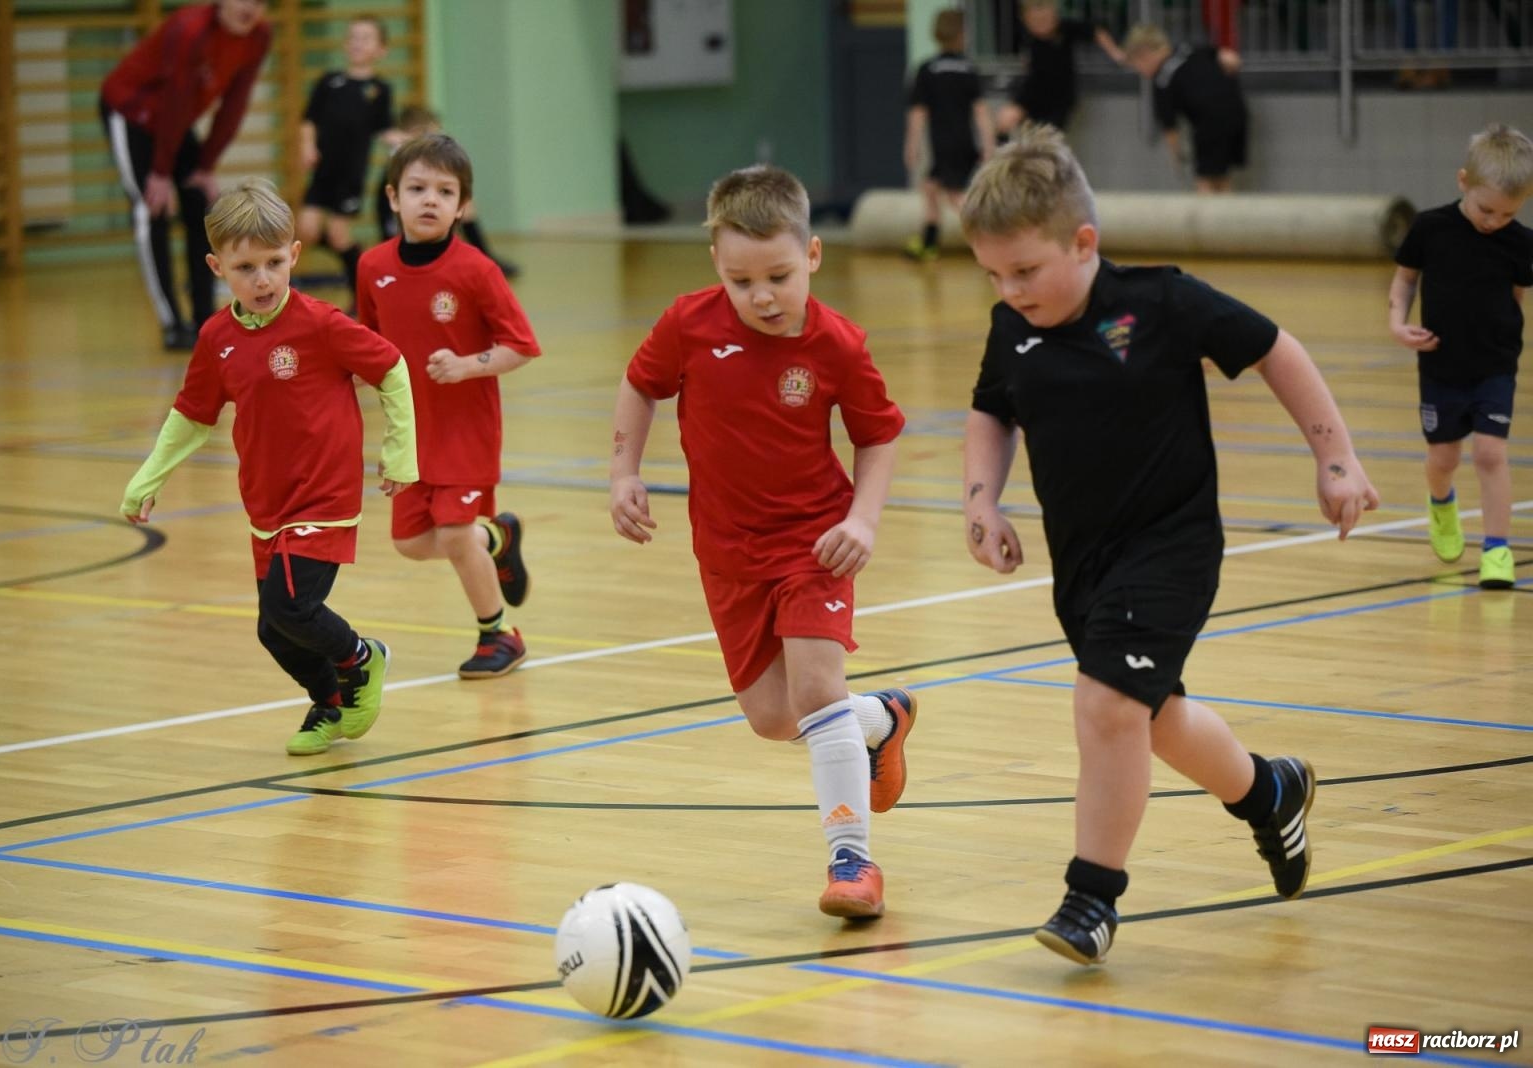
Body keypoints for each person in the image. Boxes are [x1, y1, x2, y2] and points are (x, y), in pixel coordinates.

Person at [959, 125, 1379, 964]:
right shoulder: (1014, 327)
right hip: (1083, 560)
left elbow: (1277, 351)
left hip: (1172, 543)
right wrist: (983, 501)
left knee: (1107, 707)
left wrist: (1337, 458)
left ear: (1085, 241)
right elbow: (992, 407)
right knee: (1148, 719)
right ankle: (1270, 792)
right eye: (994, 275)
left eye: (1026, 270)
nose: (1010, 290)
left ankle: (1091, 900)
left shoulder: (1160, 301)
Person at [609, 164, 917, 919]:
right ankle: (881, 719)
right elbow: (642, 385)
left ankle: (853, 864)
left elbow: (879, 437)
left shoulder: (838, 344)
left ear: (811, 255)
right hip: (726, 551)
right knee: (776, 719)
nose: (763, 296)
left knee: (815, 692)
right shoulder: (688, 324)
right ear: (716, 263)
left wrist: (863, 521)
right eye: (743, 281)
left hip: (815, 544)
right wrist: (624, 471)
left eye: (779, 275)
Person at [120, 178, 418, 756]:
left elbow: (393, 368)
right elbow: (192, 414)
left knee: (291, 607)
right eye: (246, 267)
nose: (262, 279)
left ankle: (363, 658)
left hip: (324, 497)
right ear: (216, 266)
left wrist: (400, 452)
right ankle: (329, 702)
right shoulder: (216, 338)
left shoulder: (321, 324)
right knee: (272, 628)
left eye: (274, 263)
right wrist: (147, 477)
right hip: (267, 502)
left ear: (294, 256)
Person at [357, 134, 539, 678]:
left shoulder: (476, 271)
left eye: (444, 190)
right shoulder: (372, 267)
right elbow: (365, 341)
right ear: (393, 198)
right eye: (417, 188)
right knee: (412, 542)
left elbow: (521, 346)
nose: (429, 200)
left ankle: (498, 635)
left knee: (456, 534)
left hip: (466, 429)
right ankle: (498, 537)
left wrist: (468, 365)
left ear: (463, 206)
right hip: (412, 434)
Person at [1388, 123, 1533, 589]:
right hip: (1440, 363)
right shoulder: (1431, 227)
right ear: (1462, 181)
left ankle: (1497, 550)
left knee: (1491, 453)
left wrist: (1502, 337)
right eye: (1486, 209)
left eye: (1508, 214)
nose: (1494, 221)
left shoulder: (1521, 242)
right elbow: (1406, 278)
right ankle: (1442, 504)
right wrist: (1397, 322)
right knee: (1444, 457)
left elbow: (1515, 296)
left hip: (1494, 364)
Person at [100, 0, 272, 351]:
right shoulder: (190, 29)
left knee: (201, 206)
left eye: (260, 2)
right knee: (152, 209)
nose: (250, 9)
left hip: (173, 123)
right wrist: (160, 173)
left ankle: (205, 320)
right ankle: (172, 322)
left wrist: (205, 165)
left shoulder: (259, 35)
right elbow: (176, 96)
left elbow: (235, 102)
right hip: (131, 113)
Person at [298, 14, 397, 301]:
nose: (357, 43)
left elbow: (384, 130)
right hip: (323, 171)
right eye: (353, 37)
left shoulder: (380, 90)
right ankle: (358, 258)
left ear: (381, 50)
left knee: (339, 235)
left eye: (366, 38)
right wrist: (307, 146)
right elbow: (308, 119)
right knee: (307, 229)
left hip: (350, 174)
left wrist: (407, 140)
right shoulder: (329, 82)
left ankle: (363, 291)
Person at [375, 106, 520, 279]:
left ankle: (485, 255)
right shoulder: (402, 155)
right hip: (393, 215)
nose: (437, 136)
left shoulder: (432, 157)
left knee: (464, 208)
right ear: (417, 132)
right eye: (432, 132)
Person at [903, 8, 993, 262]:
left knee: (955, 196)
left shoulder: (927, 69)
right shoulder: (967, 69)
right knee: (930, 187)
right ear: (962, 34)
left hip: (942, 143)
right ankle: (930, 241)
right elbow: (981, 112)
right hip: (963, 142)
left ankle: (989, 240)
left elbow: (917, 115)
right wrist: (987, 145)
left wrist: (911, 146)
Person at [1122, 24, 1247, 193]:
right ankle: (1229, 216)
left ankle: (1212, 218)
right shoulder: (1187, 48)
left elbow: (1170, 128)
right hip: (1237, 109)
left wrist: (1177, 158)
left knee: (1205, 181)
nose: (1141, 72)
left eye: (1137, 65)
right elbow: (1231, 59)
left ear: (1144, 55)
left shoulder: (1162, 80)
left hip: (1210, 120)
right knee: (1221, 176)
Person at [995, 0, 1124, 138]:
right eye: (1034, 20)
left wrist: (1117, 54)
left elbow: (1097, 33)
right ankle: (1001, 157)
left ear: (1054, 15)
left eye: (1044, 19)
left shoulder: (1066, 29)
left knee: (1045, 139)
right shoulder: (1027, 35)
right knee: (1004, 120)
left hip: (1059, 96)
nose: (1040, 25)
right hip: (1033, 90)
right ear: (1026, 19)